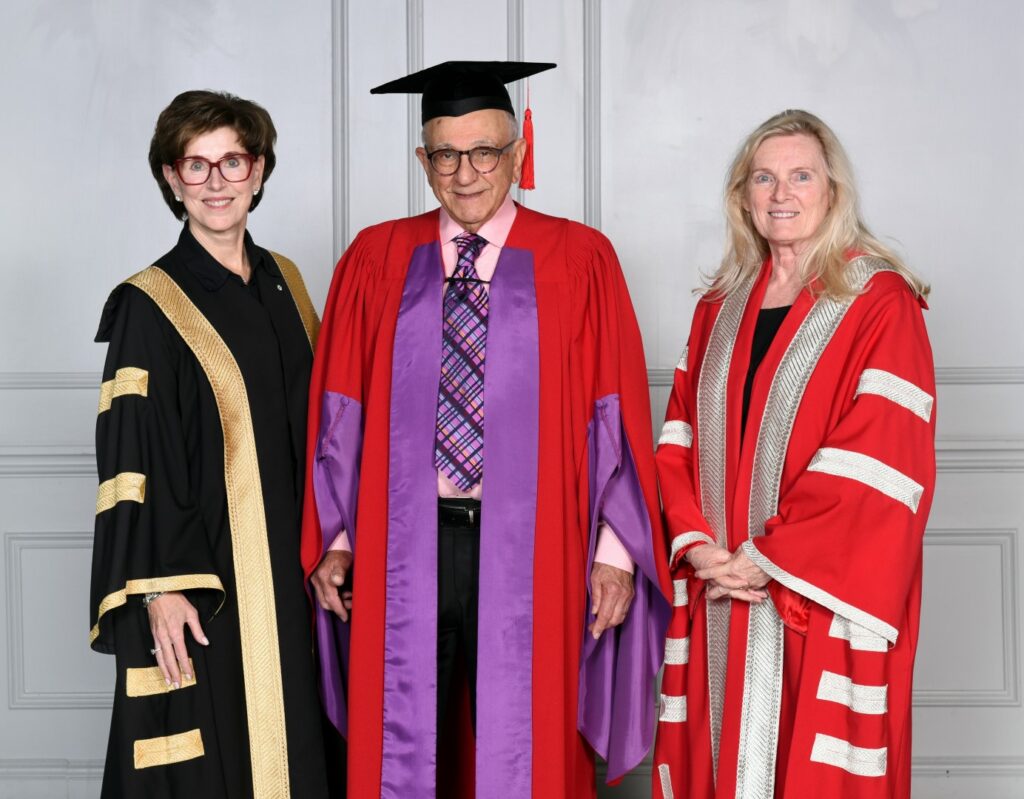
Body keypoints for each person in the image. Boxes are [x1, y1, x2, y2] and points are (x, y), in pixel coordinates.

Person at [301, 61, 672, 797]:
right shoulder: (375, 259)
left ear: (518, 153)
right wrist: (337, 539)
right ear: (422, 160)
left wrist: (616, 552)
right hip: (402, 543)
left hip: (539, 547)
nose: (465, 173)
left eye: (485, 152)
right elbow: (340, 411)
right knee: (404, 744)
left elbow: (615, 411)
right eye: (445, 153)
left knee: (524, 743)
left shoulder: (580, 258)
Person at [651, 109, 936, 799]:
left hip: (813, 595)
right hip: (720, 585)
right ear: (742, 195)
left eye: (801, 175)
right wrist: (698, 546)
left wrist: (767, 555)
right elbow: (679, 432)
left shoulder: (879, 301)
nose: (783, 193)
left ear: (832, 190)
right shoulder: (719, 305)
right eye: (765, 177)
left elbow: (878, 455)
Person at [89, 90, 330, 798]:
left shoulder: (287, 281)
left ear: (259, 171)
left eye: (233, 161)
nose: (217, 181)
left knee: (302, 735)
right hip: (209, 578)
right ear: (171, 178)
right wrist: (160, 587)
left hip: (295, 567)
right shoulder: (148, 301)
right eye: (196, 165)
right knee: (218, 755)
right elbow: (133, 456)